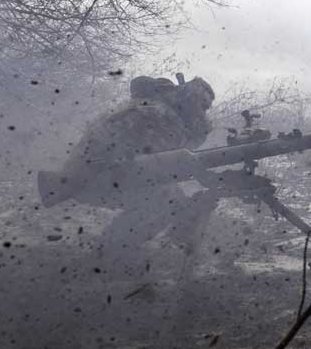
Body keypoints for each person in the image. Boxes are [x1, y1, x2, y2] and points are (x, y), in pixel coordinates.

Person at [61, 75, 217, 280]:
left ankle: (113, 252)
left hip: (96, 174)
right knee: (165, 200)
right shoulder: (159, 114)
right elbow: (157, 164)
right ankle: (107, 256)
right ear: (189, 100)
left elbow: (156, 162)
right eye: (201, 106)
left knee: (169, 198)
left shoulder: (154, 108)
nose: (202, 112)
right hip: (94, 177)